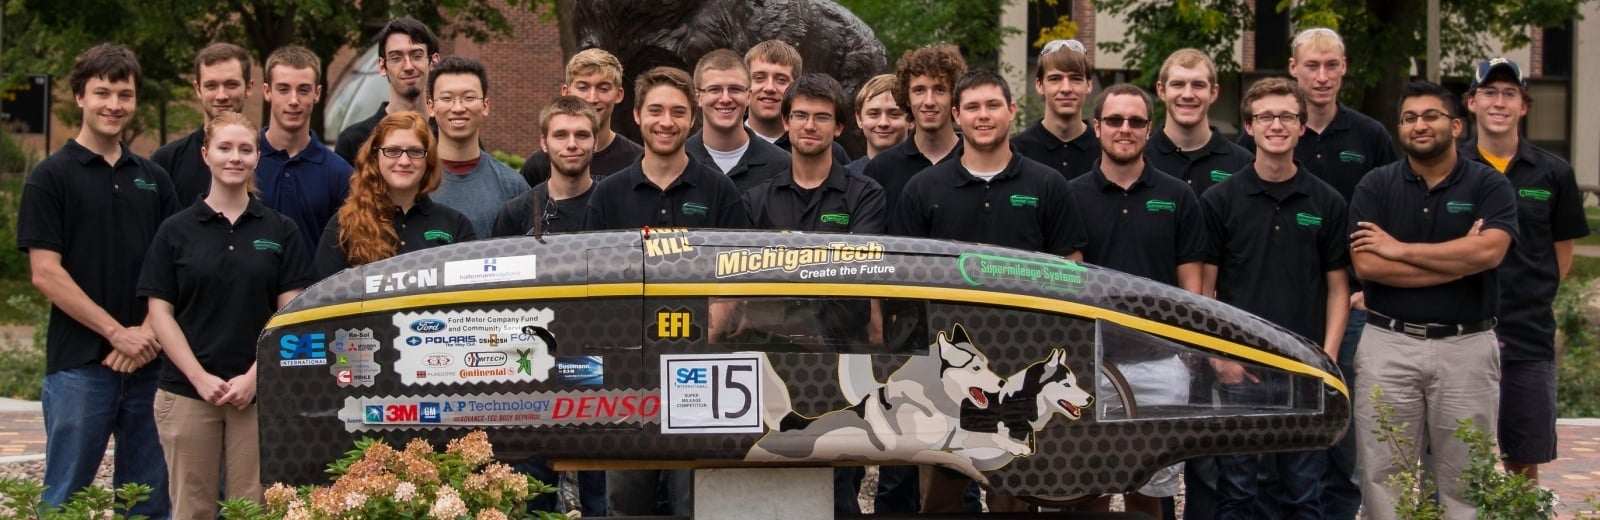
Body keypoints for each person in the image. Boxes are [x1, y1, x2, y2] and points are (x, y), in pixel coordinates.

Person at [891, 69, 1087, 514]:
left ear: (1012, 112)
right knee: (941, 494)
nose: (983, 116)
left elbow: (1072, 270)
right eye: (973, 107)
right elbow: (901, 279)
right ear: (956, 115)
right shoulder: (924, 189)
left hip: (1023, 358)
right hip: (947, 366)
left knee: (1013, 493)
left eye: (993, 105)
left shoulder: (1046, 185)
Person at [16, 43, 176, 518]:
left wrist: (146, 334)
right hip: (79, 368)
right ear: (80, 96)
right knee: (65, 498)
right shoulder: (51, 177)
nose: (114, 104)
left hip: (149, 366)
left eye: (124, 94)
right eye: (102, 92)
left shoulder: (154, 179)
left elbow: (175, 269)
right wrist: (116, 333)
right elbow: (45, 273)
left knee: (147, 503)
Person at [1349, 81, 1517, 520]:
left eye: (1430, 116)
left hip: (1466, 348)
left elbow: (1489, 251)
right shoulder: (1376, 185)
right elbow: (1368, 266)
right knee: (1384, 476)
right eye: (1409, 118)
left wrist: (1399, 249)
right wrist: (1459, 260)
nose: (1419, 125)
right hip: (1389, 344)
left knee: (1467, 478)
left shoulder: (1488, 184)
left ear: (1457, 125)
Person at [586, 66, 749, 516]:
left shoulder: (719, 191)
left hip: (700, 367)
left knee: (694, 498)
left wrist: (711, 328)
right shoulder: (609, 194)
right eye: (655, 110)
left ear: (692, 119)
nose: (666, 121)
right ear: (635, 116)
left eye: (678, 112)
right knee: (627, 499)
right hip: (628, 368)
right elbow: (595, 280)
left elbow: (737, 273)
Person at [138, 111, 314, 520]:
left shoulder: (280, 230)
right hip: (187, 392)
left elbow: (291, 313)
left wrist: (256, 376)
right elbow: (160, 312)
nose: (235, 157)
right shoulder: (175, 231)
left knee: (250, 510)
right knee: (191, 509)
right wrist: (198, 377)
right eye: (224, 148)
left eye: (245, 149)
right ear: (206, 154)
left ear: (257, 157)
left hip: (256, 395)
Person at [1200, 77, 1350, 520]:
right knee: (1238, 491)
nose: (1277, 124)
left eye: (1287, 116)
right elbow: (1205, 289)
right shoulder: (1220, 199)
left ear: (1302, 126)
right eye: (1266, 116)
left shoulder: (1327, 201)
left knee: (1304, 493)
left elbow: (1339, 289)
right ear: (1249, 126)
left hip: (1304, 370)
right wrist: (1218, 356)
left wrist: (1328, 362)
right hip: (1240, 369)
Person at [742, 74, 886, 514]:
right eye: (800, 115)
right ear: (785, 122)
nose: (809, 125)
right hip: (770, 360)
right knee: (771, 479)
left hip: (842, 359)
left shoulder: (867, 196)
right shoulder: (754, 200)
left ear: (839, 127)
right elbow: (744, 278)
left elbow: (859, 269)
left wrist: (781, 259)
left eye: (821, 117)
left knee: (839, 484)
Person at [1066, 83, 1204, 519]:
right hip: (1092, 364)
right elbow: (1066, 281)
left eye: (1135, 121)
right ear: (1096, 126)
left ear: (1149, 128)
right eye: (1114, 120)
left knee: (1151, 493)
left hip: (1160, 365)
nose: (1124, 129)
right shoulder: (1069, 194)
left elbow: (1192, 286)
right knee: (1089, 492)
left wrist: (1185, 356)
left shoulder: (1178, 196)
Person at [1462, 57, 1590, 484]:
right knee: (1456, 457)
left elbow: (1563, 256)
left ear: (1524, 106)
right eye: (1490, 93)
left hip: (1527, 335)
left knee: (1523, 457)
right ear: (1471, 103)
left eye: (1510, 94)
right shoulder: (1451, 169)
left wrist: (1529, 296)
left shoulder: (1553, 173)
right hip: (1459, 329)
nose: (1499, 102)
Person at [315, 112, 476, 278]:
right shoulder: (344, 225)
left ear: (429, 160)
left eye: (415, 151)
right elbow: (321, 298)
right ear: (375, 157)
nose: (404, 161)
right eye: (392, 151)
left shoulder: (456, 225)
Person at [256, 45, 353, 256]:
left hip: (316, 288)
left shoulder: (339, 173)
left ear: (316, 93)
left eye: (303, 90)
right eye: (283, 89)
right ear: (267, 92)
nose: (293, 101)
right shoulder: (241, 163)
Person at [423, 55, 529, 238]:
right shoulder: (412, 181)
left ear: (485, 106)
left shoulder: (512, 186)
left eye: (468, 97)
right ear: (431, 107)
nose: (457, 108)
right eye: (447, 98)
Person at [864, 43, 966, 216]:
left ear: (954, 97)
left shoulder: (973, 163)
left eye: (939, 90)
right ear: (907, 98)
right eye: (919, 90)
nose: (929, 101)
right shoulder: (881, 169)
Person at [520, 48, 643, 187]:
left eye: (603, 88)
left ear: (619, 94)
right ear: (566, 92)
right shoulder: (539, 164)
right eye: (583, 87)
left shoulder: (637, 162)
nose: (592, 98)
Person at [151, 42, 254, 204]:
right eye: (211, 85)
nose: (221, 95)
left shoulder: (263, 160)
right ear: (198, 89)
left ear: (249, 87)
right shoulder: (166, 160)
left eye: (231, 84)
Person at [1146, 48, 1253, 196]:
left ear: (1214, 92)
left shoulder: (1243, 163)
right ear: (1161, 91)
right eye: (1178, 84)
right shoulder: (1140, 157)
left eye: (1198, 85)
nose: (1188, 94)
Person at [334, 17, 440, 164]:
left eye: (416, 55)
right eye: (396, 58)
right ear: (382, 67)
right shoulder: (354, 141)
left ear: (433, 61)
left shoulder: (450, 136)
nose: (408, 66)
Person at [685, 49, 791, 191]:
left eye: (735, 89)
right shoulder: (679, 159)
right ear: (698, 97)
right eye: (714, 89)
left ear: (748, 96)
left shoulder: (783, 166)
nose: (725, 99)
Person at [494, 97, 599, 237]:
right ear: (544, 142)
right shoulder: (516, 213)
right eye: (560, 135)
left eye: (582, 135)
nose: (572, 144)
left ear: (595, 142)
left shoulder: (612, 204)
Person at [745, 39, 850, 164]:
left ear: (795, 87)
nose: (769, 88)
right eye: (759, 78)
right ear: (745, 84)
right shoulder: (730, 144)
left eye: (781, 80)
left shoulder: (829, 150)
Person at [1013, 39, 1099, 180]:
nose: (1066, 88)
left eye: (1075, 78)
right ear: (1039, 85)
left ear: (1089, 84)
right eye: (1055, 79)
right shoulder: (1016, 152)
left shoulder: (1106, 150)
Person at [847, 74, 911, 175]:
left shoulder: (928, 177)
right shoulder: (844, 179)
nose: (883, 123)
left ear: (911, 119)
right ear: (859, 119)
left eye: (894, 114)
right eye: (874, 114)